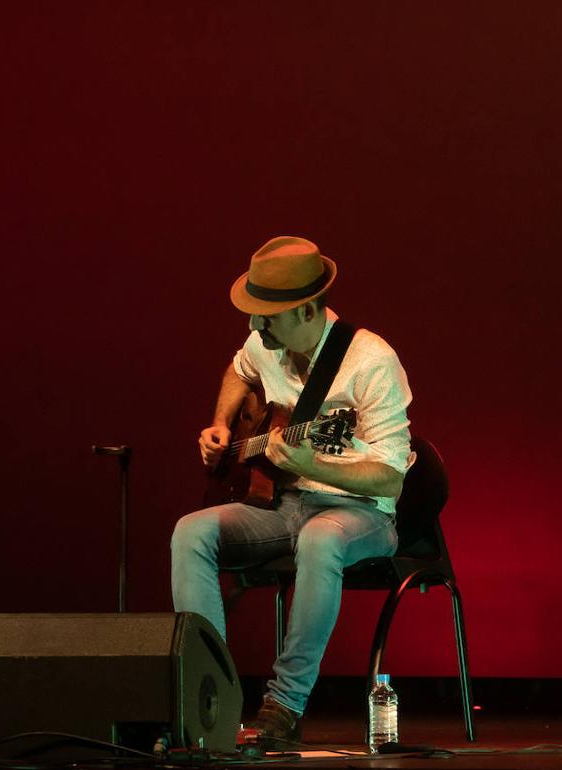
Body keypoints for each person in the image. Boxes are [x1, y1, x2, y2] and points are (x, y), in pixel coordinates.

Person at [171, 236, 413, 747]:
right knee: (190, 532)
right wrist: (220, 425)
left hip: (359, 513)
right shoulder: (266, 344)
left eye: (268, 316)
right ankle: (212, 691)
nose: (257, 327)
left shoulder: (371, 360)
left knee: (321, 539)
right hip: (283, 505)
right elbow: (239, 369)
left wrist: (315, 464)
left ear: (306, 308)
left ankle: (284, 703)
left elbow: (391, 477)